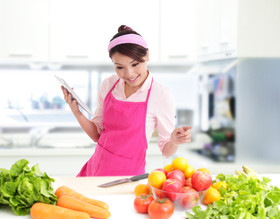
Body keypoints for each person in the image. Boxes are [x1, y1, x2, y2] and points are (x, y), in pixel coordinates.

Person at [61, 25, 192, 176]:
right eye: (119, 67)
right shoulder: (109, 85)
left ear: (147, 55)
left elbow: (166, 151)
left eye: (135, 64)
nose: (129, 74)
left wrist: (174, 141)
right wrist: (76, 112)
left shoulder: (160, 95)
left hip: (127, 178)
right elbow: (97, 135)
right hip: (94, 172)